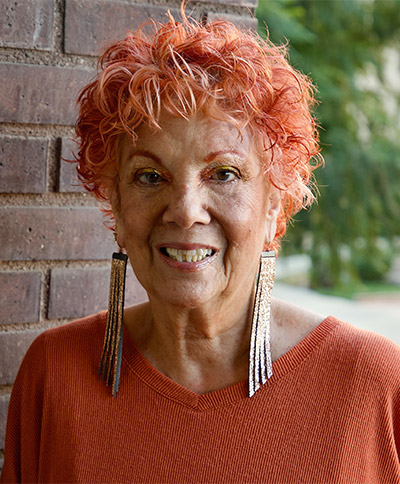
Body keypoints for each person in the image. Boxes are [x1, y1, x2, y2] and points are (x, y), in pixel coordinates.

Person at [1, 11, 400, 484]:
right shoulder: (54, 373)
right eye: (150, 177)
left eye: (223, 174)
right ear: (116, 205)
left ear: (275, 202)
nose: (186, 210)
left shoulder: (373, 384)